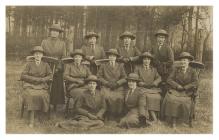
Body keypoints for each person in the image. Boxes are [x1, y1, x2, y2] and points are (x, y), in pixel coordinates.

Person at [161, 52, 198, 129]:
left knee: (185, 101)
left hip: (187, 91)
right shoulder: (176, 70)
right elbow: (169, 80)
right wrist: (177, 86)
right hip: (176, 90)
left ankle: (188, 119)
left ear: (188, 61)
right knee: (172, 99)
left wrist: (186, 87)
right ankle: (173, 121)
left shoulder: (192, 71)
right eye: (181, 60)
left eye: (185, 60)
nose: (183, 62)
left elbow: (195, 82)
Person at [20, 46, 52, 127]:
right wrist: (34, 79)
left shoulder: (46, 65)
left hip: (42, 85)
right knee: (31, 95)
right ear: (34, 55)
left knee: (43, 95)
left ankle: (41, 115)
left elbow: (50, 75)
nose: (38, 56)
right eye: (36, 54)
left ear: (42, 55)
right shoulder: (29, 64)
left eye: (39, 54)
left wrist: (43, 80)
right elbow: (23, 75)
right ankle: (31, 118)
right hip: (30, 85)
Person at [41, 24, 66, 111]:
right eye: (53, 31)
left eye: (57, 31)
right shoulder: (44, 42)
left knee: (56, 85)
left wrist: (58, 67)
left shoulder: (62, 43)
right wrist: (44, 66)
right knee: (45, 84)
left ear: (59, 33)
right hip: (46, 66)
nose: (54, 33)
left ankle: (55, 104)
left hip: (57, 67)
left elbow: (63, 57)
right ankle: (43, 103)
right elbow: (41, 54)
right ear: (50, 32)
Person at [97, 49, 127, 119]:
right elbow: (99, 77)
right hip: (106, 86)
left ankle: (117, 114)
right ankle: (108, 114)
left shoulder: (120, 66)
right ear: (108, 57)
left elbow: (125, 77)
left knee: (120, 97)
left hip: (117, 86)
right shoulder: (103, 65)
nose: (112, 58)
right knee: (106, 96)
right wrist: (107, 83)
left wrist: (118, 83)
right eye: (110, 56)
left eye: (113, 56)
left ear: (116, 57)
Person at [134, 52, 162, 124]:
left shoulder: (154, 69)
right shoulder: (137, 68)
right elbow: (135, 78)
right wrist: (142, 83)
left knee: (157, 97)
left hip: (152, 88)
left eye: (148, 59)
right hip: (142, 88)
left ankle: (155, 117)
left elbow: (159, 78)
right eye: (145, 59)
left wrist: (154, 83)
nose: (146, 61)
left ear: (150, 61)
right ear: (142, 60)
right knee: (146, 96)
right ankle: (152, 118)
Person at [150, 29, 174, 97]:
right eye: (159, 37)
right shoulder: (153, 47)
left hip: (165, 71)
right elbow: (149, 57)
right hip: (155, 70)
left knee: (164, 87)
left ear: (164, 39)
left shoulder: (168, 48)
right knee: (154, 86)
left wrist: (162, 64)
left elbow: (171, 61)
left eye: (162, 37)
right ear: (157, 38)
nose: (161, 39)